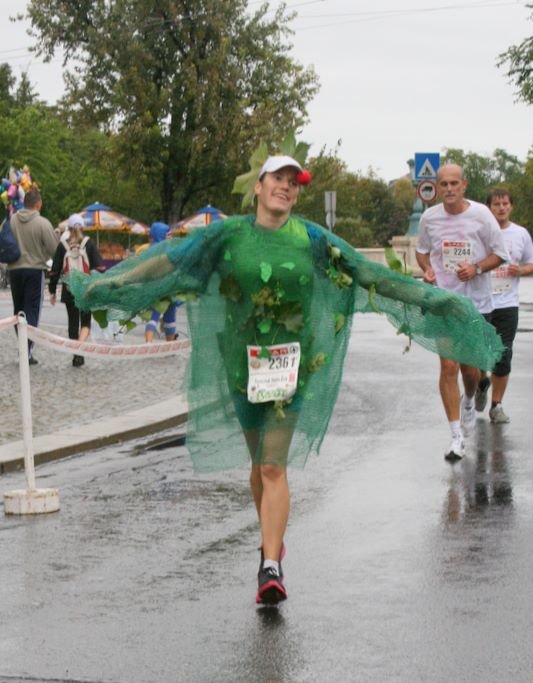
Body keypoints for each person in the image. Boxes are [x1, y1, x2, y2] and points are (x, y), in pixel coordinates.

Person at [68, 154, 503, 605]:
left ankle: (271, 565)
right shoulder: (227, 234)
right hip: (241, 363)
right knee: (258, 464)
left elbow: (367, 272)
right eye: (279, 178)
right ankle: (270, 539)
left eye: (294, 183)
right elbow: (169, 262)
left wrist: (434, 301)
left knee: (273, 466)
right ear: (258, 186)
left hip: (289, 365)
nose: (287, 187)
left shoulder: (312, 238)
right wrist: (111, 284)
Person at [416, 163, 508, 462]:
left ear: (464, 184)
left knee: (471, 371)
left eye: (455, 183)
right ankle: (456, 436)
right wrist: (427, 269)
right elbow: (421, 250)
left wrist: (477, 267)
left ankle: (469, 399)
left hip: (476, 304)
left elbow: (500, 254)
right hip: (444, 302)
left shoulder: (481, 215)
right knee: (448, 368)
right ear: (437, 187)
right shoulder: (429, 218)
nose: (449, 189)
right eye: (444, 184)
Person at [474, 189, 533, 423]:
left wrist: (521, 270)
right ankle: (481, 383)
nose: (501, 208)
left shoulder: (521, 234)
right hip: (480, 301)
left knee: (504, 354)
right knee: (479, 353)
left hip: (507, 303)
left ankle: (496, 405)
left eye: (505, 204)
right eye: (496, 204)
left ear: (511, 207)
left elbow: (531, 263)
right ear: (488, 207)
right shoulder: (479, 232)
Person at [8, 187, 58, 365]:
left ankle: (23, 347)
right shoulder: (43, 223)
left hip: (14, 270)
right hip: (34, 270)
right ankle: (26, 350)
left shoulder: (11, 220)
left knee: (18, 310)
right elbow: (54, 250)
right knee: (32, 310)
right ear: (39, 204)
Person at [49, 213, 104, 366]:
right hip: (86, 290)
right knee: (85, 322)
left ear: (69, 228)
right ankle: (81, 349)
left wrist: (52, 290)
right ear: (82, 227)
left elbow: (54, 270)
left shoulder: (63, 245)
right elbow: (100, 267)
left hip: (69, 289)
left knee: (72, 322)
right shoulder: (89, 244)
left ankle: (76, 353)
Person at [142, 222, 181, 342]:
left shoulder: (149, 250)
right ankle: (169, 344)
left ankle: (149, 343)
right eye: (167, 233)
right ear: (161, 234)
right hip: (167, 287)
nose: (169, 236)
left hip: (154, 288)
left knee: (154, 315)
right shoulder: (169, 249)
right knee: (169, 316)